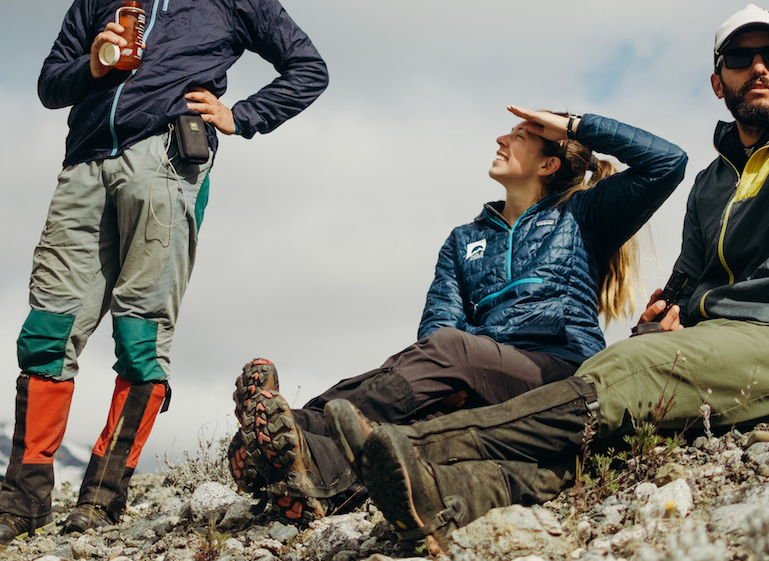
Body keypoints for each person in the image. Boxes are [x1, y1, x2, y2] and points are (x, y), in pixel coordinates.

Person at [352, 0, 769, 553]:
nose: (758, 67)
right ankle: (460, 491)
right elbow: (689, 279)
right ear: (719, 82)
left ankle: (425, 451)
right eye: (740, 59)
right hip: (721, 343)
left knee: (622, 371)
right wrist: (667, 311)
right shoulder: (712, 186)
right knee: (619, 394)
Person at [0, 0, 329, 554]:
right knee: (47, 331)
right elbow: (50, 84)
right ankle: (22, 501)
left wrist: (241, 115)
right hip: (83, 171)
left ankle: (103, 498)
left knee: (139, 336)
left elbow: (309, 67)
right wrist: (95, 66)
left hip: (167, 168)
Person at [230, 105, 686, 521]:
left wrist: (574, 127)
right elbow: (435, 329)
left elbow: (668, 163)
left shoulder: (583, 215)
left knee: (452, 352)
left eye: (521, 137)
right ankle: (308, 472)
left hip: (555, 371)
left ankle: (294, 424)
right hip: (472, 370)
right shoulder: (463, 239)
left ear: (548, 164)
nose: (501, 141)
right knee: (420, 414)